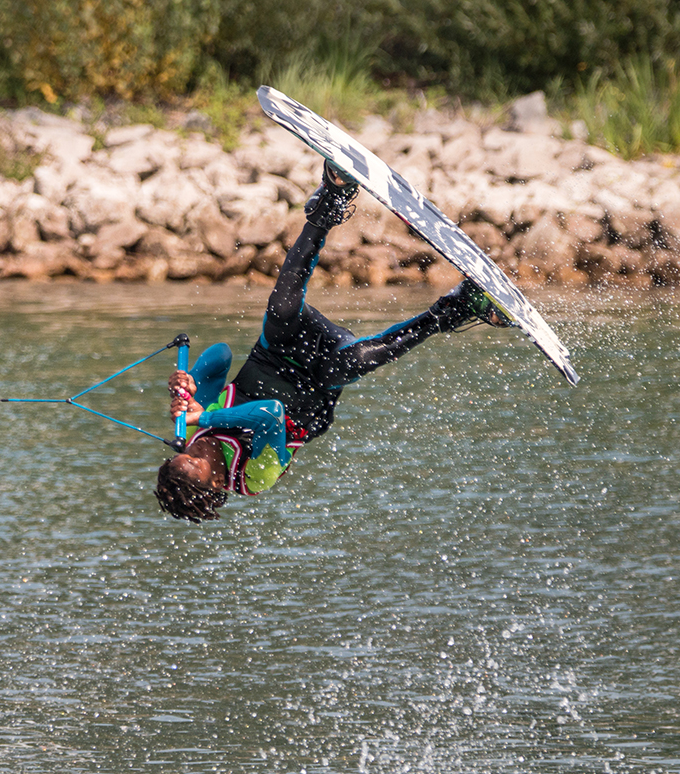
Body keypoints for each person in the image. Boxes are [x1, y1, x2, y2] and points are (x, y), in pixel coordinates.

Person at [154, 162, 511, 522]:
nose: (198, 445)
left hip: (279, 352)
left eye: (186, 452)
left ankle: (331, 199)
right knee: (351, 363)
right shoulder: (253, 477)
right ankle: (457, 307)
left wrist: (189, 386)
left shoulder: (195, 424)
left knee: (280, 307)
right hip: (316, 386)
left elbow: (221, 354)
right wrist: (209, 414)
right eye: (199, 460)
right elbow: (270, 415)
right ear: (216, 483)